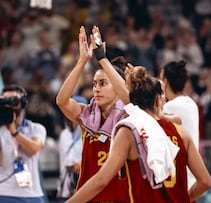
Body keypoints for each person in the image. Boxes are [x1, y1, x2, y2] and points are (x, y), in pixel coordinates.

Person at [65, 66, 211, 203]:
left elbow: (101, 180)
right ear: (158, 99)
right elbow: (205, 182)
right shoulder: (181, 133)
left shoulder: (129, 131)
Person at [56, 26, 129, 202]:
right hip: (89, 197)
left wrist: (102, 59)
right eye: (95, 84)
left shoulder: (129, 115)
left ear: (118, 88)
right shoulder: (86, 115)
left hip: (121, 198)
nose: (96, 89)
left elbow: (131, 100)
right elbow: (62, 101)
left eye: (103, 83)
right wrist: (82, 61)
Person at [0, 84, 46, 203]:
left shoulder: (36, 128)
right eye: (5, 100)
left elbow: (34, 149)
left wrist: (13, 131)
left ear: (23, 103)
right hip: (4, 193)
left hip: (33, 194)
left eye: (13, 100)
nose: (10, 104)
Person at [160, 60, 200, 192]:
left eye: (160, 79)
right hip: (193, 176)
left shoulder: (170, 107)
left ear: (165, 81)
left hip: (178, 178)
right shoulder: (191, 104)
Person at [56, 96, 86, 203]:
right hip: (66, 185)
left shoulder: (90, 132)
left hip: (85, 186)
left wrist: (81, 166)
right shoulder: (64, 134)